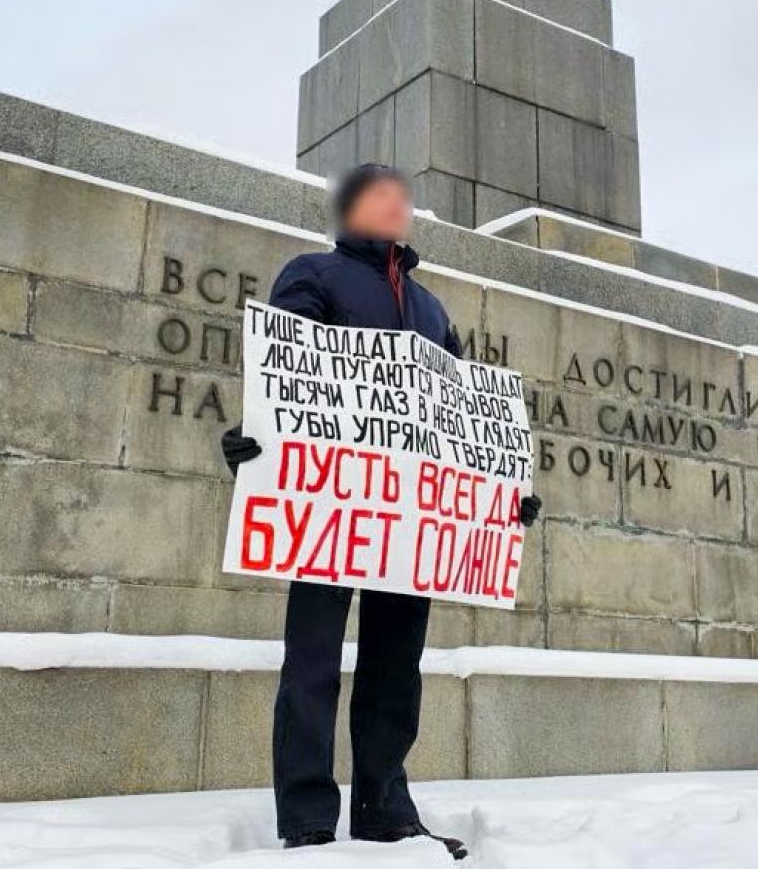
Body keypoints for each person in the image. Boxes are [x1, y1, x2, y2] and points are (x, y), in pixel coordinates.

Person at [220, 164, 540, 860]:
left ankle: (384, 806)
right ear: (348, 208)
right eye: (382, 195)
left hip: (410, 519)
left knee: (397, 666)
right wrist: (259, 440)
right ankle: (306, 812)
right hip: (328, 504)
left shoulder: (431, 311)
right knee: (312, 660)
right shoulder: (313, 274)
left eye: (405, 198)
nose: (399, 206)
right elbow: (291, 373)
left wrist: (500, 493)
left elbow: (461, 421)